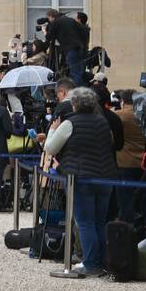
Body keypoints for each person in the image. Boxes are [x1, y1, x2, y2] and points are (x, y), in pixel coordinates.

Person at [40, 87, 117, 277]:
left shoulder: (69, 124)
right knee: (100, 221)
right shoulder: (102, 122)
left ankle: (91, 263)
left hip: (80, 177)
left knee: (84, 222)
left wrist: (52, 130)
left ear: (74, 104)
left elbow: (50, 147)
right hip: (105, 175)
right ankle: (102, 261)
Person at [114, 88, 146, 224]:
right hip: (144, 162)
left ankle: (125, 229)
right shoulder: (144, 115)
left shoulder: (119, 116)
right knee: (141, 199)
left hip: (124, 162)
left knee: (125, 200)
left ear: (122, 101)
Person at [46, 8, 90, 86]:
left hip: (70, 50)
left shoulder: (56, 22)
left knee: (75, 73)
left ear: (51, 17)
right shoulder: (70, 20)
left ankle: (78, 93)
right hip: (80, 49)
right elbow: (84, 30)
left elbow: (48, 37)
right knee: (80, 73)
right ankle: (82, 91)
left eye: (48, 18)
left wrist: (44, 31)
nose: (49, 21)